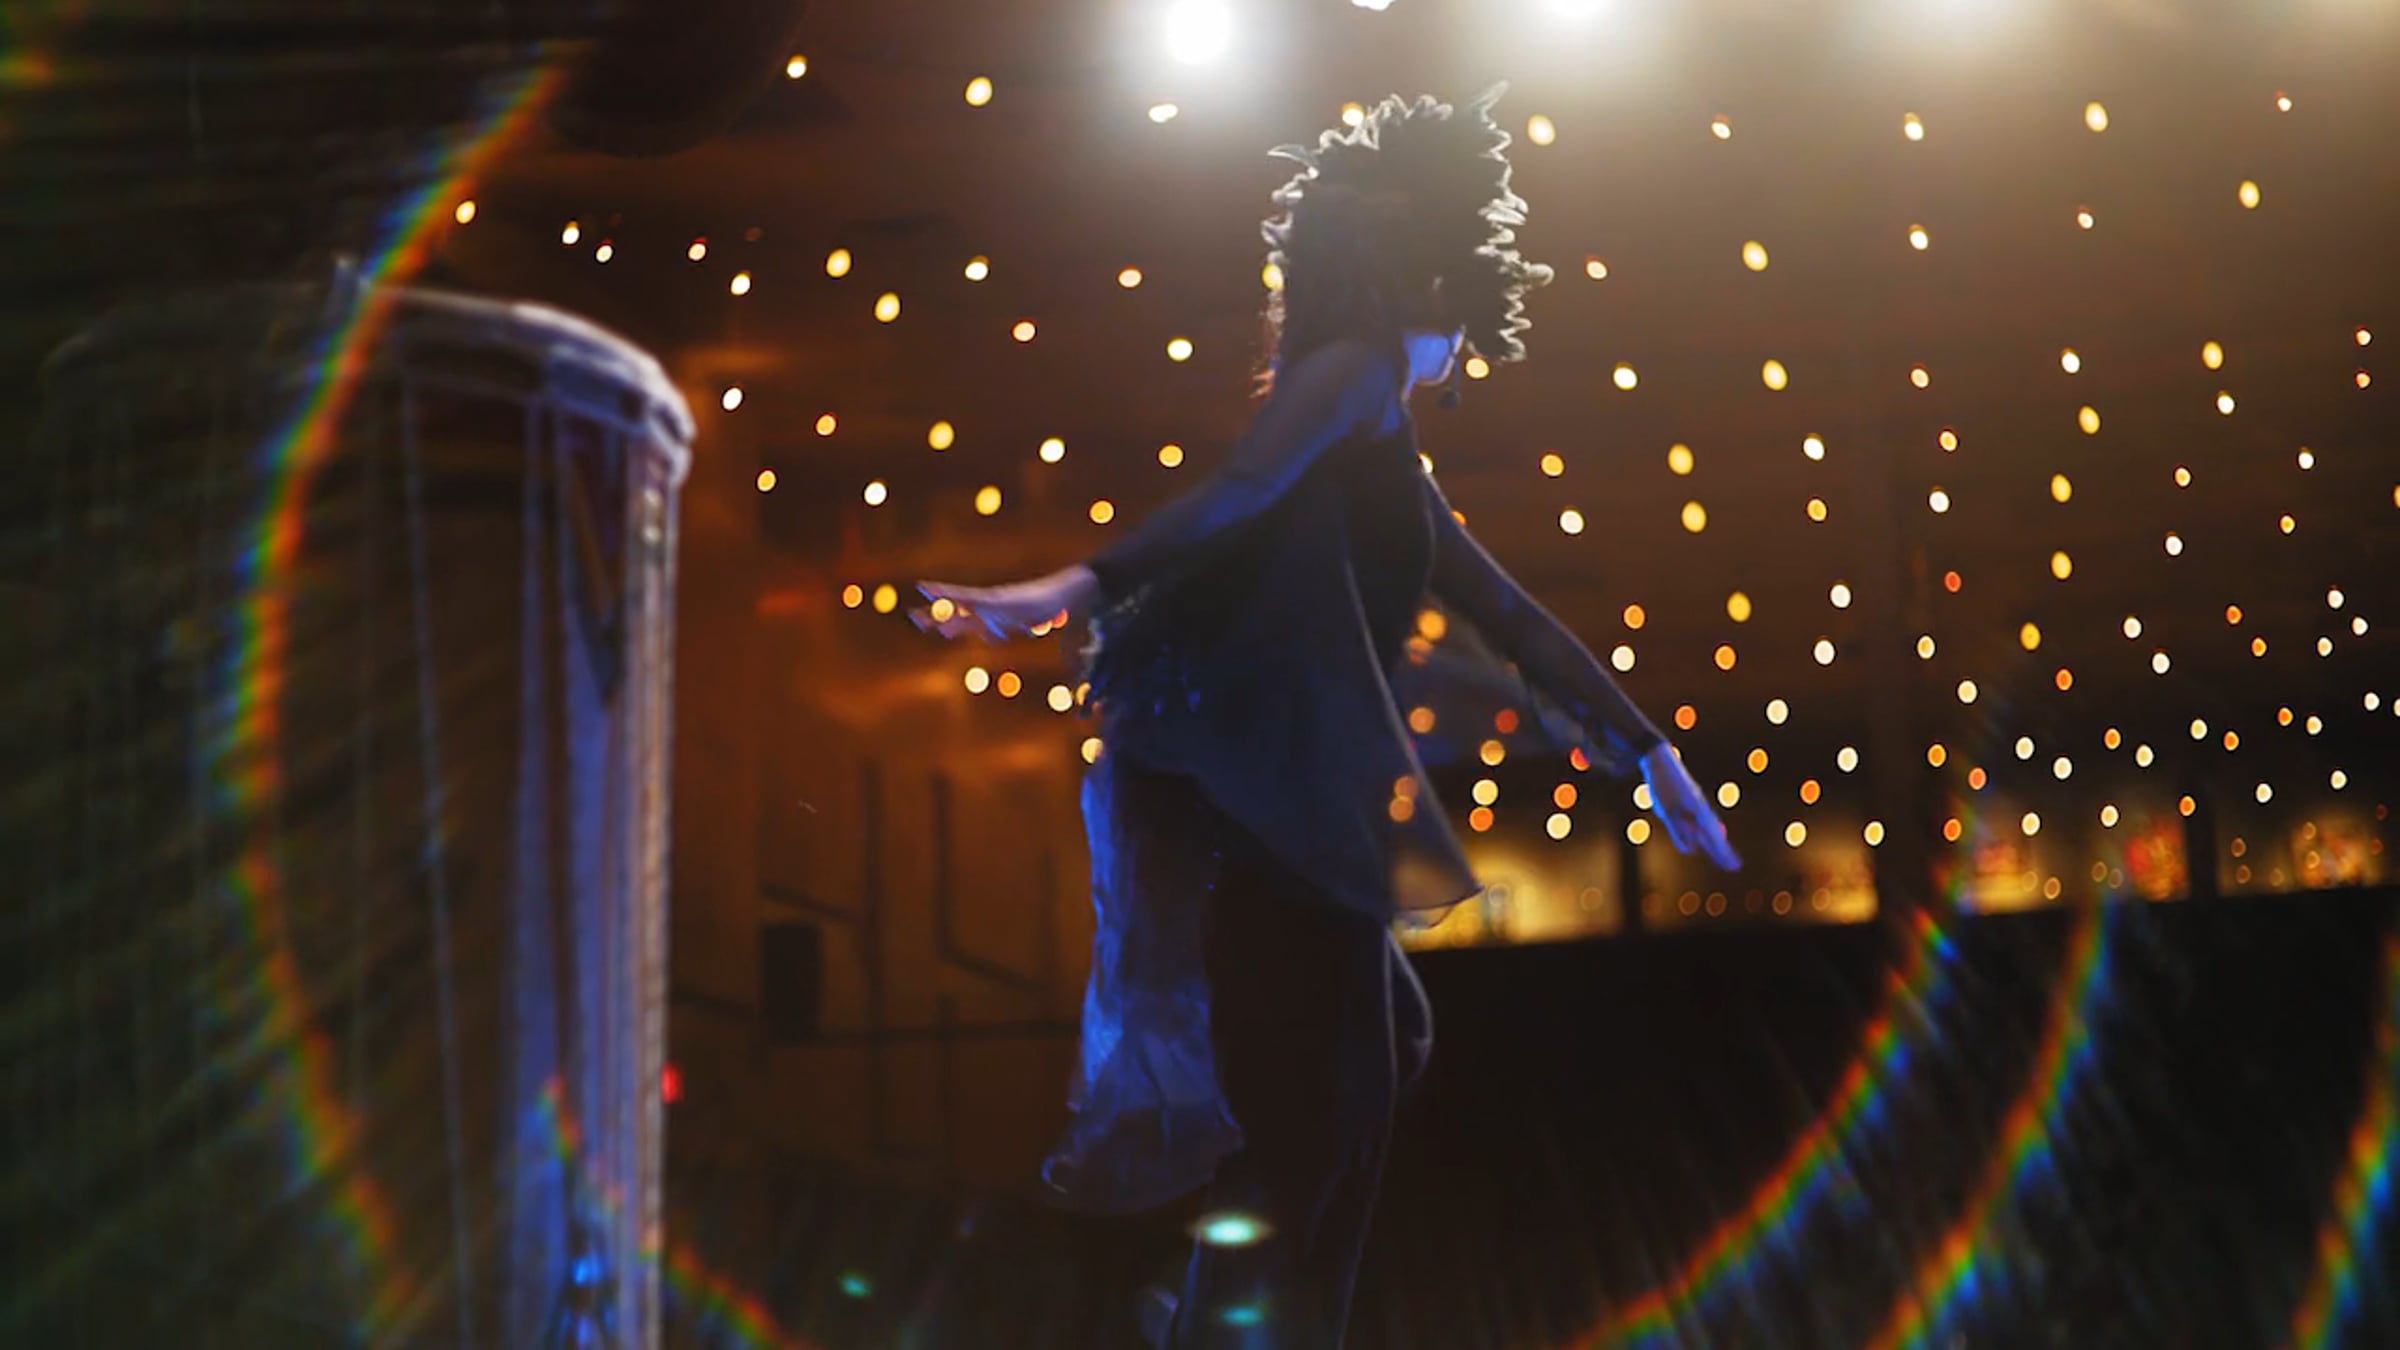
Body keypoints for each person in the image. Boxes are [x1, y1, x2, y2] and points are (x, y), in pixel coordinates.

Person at [914, 86, 1740, 1348]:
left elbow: (1508, 613)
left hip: (1289, 828)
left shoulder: (1381, 441)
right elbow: (1238, 490)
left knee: (1376, 1059)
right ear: (1436, 277)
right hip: (1278, 829)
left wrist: (1649, 751)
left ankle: (1210, 1323)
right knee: (1325, 1118)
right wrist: (1066, 589)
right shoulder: (1351, 379)